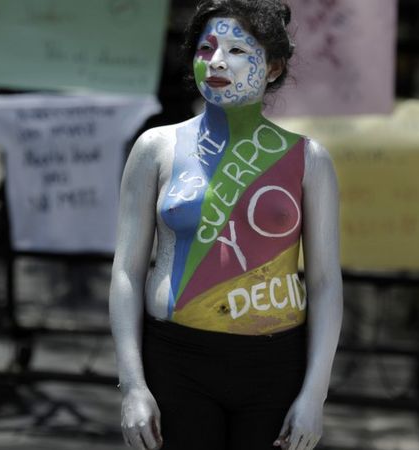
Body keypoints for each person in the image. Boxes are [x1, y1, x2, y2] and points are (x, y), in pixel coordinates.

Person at [109, 1, 342, 449]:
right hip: (175, 361)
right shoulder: (156, 147)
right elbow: (126, 271)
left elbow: (326, 281)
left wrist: (314, 394)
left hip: (275, 367)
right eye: (206, 48)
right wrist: (133, 386)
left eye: (238, 50)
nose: (217, 61)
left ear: (273, 68)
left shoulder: (308, 160)